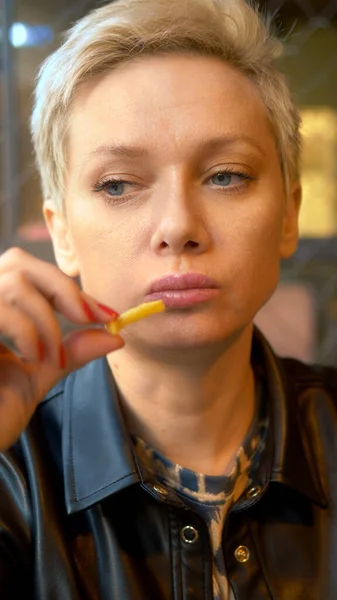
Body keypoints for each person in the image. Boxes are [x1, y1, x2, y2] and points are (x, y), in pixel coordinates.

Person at [0, 0, 336, 598]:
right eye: (118, 184)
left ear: (289, 212)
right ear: (61, 234)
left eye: (227, 175)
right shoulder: (9, 469)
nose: (178, 225)